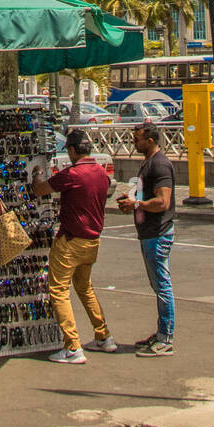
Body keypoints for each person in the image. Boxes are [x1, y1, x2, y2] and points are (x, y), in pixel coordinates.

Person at [32, 129, 115, 364]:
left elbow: (40, 189)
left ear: (71, 150)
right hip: (92, 241)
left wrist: (37, 175)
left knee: (58, 291)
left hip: (70, 241)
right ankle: (103, 335)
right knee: (84, 287)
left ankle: (72, 346)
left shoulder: (73, 174)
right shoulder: (101, 173)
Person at [117, 123, 175, 355]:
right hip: (149, 232)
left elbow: (163, 202)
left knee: (162, 285)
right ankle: (162, 331)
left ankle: (166, 337)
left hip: (157, 233)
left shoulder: (160, 164)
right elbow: (148, 194)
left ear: (150, 141)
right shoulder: (148, 163)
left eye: (138, 139)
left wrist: (137, 204)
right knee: (157, 284)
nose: (134, 142)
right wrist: (132, 198)